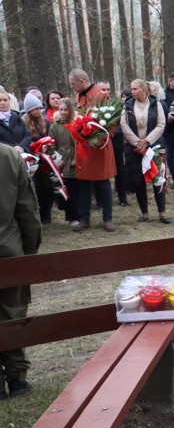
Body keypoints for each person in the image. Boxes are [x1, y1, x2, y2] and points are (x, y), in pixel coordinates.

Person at [0, 141, 42, 399]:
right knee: (12, 311)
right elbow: (27, 209)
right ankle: (16, 378)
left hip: (10, 248)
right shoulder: (8, 155)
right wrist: (29, 249)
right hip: (8, 249)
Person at [68, 70, 117, 232]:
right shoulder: (79, 96)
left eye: (72, 83)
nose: (71, 87)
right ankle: (84, 219)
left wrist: (97, 140)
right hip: (84, 148)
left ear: (81, 81)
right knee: (83, 184)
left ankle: (108, 219)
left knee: (103, 184)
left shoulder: (102, 97)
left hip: (99, 148)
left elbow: (112, 122)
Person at [121, 79, 170, 224]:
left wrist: (147, 141)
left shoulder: (156, 104)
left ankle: (162, 213)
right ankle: (144, 213)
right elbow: (124, 125)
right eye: (131, 89)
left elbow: (161, 124)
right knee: (139, 181)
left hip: (154, 146)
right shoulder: (127, 105)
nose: (132, 91)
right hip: (134, 148)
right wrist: (138, 143)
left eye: (135, 89)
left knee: (158, 179)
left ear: (143, 89)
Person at [20, 94, 53, 224]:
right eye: (35, 108)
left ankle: (46, 214)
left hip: (44, 159)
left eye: (40, 108)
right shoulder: (22, 123)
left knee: (47, 187)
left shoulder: (45, 122)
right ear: (29, 109)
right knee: (35, 188)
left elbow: (50, 138)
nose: (38, 110)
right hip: (30, 160)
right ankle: (36, 214)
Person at [49, 98, 80, 227]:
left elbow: (81, 142)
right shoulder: (55, 126)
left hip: (76, 160)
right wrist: (56, 160)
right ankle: (72, 217)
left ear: (70, 110)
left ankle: (81, 215)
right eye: (60, 110)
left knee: (78, 190)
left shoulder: (77, 123)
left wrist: (78, 157)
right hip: (63, 161)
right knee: (68, 191)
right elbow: (52, 145)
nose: (63, 112)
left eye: (65, 110)